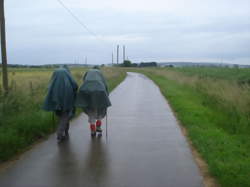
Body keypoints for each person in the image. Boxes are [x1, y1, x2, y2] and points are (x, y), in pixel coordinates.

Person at [43, 67, 78, 142]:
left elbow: (49, 89)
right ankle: (60, 133)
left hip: (56, 102)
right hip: (67, 101)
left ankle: (65, 131)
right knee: (65, 116)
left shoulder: (53, 81)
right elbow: (75, 86)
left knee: (62, 116)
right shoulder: (68, 79)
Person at [75, 67, 111, 137]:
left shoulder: (87, 77)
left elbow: (83, 81)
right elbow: (105, 85)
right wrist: (107, 95)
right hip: (100, 93)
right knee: (101, 110)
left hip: (88, 94)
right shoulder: (100, 74)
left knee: (91, 113)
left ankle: (93, 131)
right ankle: (98, 127)